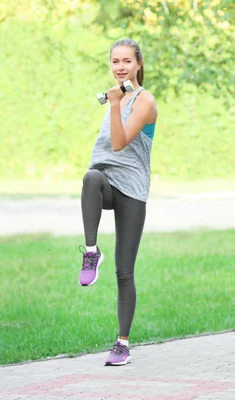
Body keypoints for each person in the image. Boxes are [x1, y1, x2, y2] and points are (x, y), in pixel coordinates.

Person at [77, 38, 157, 367]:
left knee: (124, 271)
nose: (120, 66)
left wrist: (114, 105)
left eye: (126, 61)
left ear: (138, 64)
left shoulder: (144, 101)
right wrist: (114, 102)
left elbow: (122, 143)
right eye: (115, 61)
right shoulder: (116, 96)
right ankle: (91, 252)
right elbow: (106, 153)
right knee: (90, 178)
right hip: (109, 182)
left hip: (133, 190)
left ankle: (122, 343)